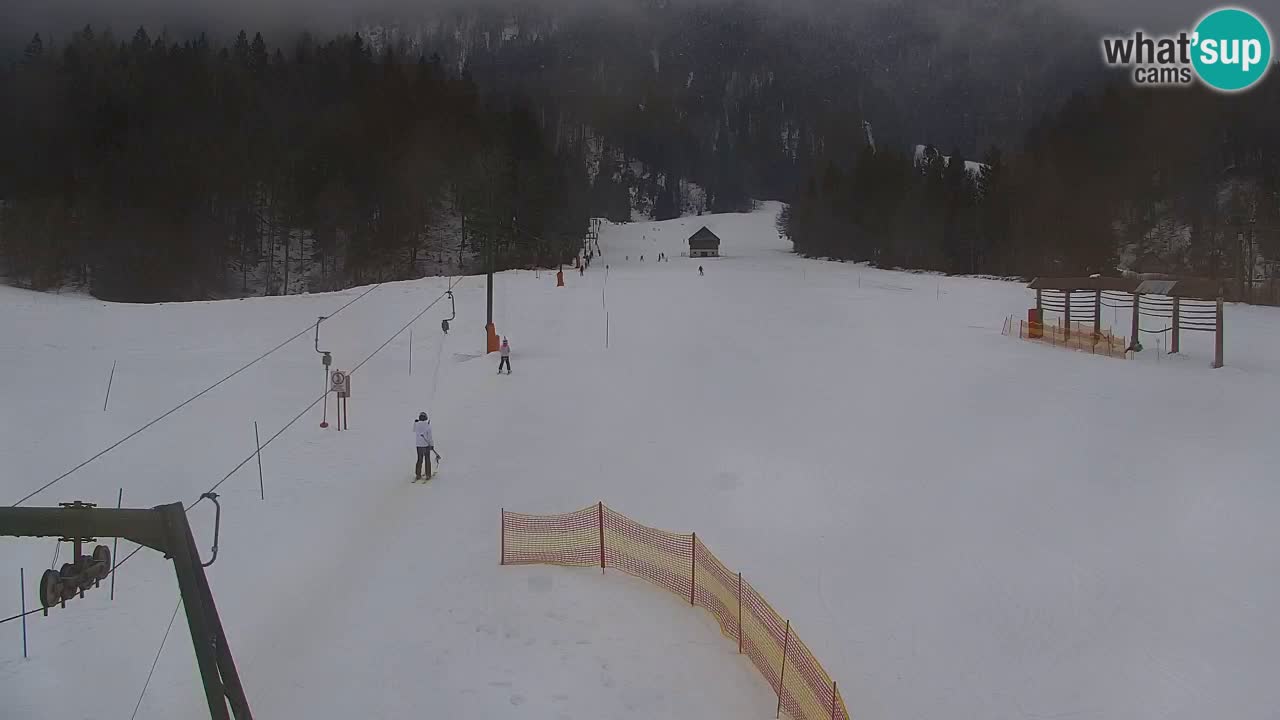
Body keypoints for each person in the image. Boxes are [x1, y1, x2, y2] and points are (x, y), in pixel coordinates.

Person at [413, 412, 439, 479]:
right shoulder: (427, 425)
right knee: (427, 459)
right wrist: (432, 445)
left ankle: (418, 474)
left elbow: (414, 430)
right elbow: (430, 437)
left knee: (419, 459)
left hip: (418, 445)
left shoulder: (417, 425)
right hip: (426, 445)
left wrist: (415, 422)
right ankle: (428, 474)